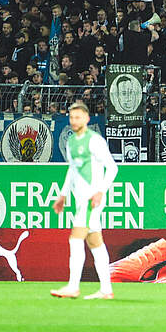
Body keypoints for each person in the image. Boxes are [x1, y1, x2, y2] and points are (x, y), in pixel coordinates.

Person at [49, 102, 118, 300]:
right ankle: (106, 289)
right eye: (71, 117)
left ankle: (73, 286)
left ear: (87, 119)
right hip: (81, 199)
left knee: (75, 238)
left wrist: (100, 191)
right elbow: (72, 170)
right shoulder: (71, 142)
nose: (74, 121)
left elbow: (112, 168)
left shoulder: (94, 141)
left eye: (78, 117)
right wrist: (63, 195)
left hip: (91, 199)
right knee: (95, 242)